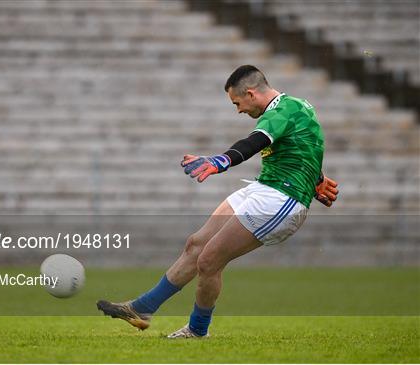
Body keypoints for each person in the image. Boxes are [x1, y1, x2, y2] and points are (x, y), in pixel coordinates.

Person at [97, 65, 339, 338]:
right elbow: (308, 141)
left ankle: (198, 331)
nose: (238, 110)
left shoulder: (281, 111)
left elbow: (255, 142)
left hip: (282, 199)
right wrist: (316, 176)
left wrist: (220, 161)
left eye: (237, 103)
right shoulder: (294, 107)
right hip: (264, 187)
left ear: (250, 93)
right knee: (196, 245)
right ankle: (142, 308)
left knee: (209, 261)